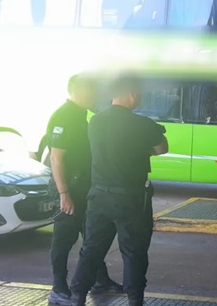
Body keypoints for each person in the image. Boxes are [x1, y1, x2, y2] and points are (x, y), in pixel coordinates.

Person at [69, 75, 168, 306]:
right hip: (131, 200)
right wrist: (141, 150)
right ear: (132, 94)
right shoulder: (142, 124)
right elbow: (162, 148)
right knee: (133, 252)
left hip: (99, 197)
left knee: (91, 250)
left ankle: (78, 297)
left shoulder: (95, 122)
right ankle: (134, 300)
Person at [44, 74, 123, 306]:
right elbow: (56, 158)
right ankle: (58, 288)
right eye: (92, 91)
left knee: (92, 237)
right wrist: (64, 194)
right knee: (63, 239)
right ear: (78, 91)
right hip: (70, 190)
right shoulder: (64, 116)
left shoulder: (81, 116)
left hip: (85, 189)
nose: (95, 96)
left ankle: (101, 280)